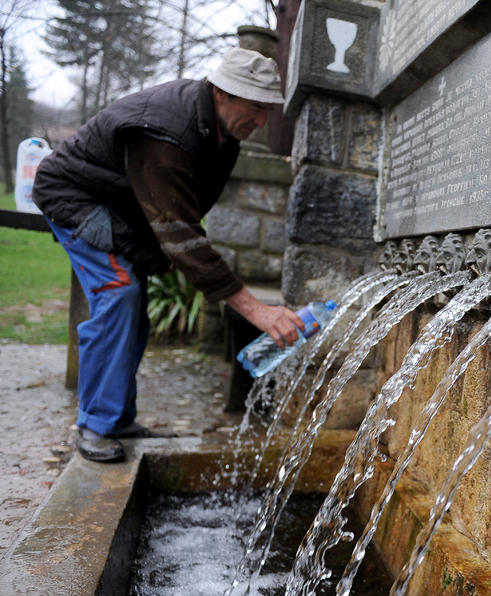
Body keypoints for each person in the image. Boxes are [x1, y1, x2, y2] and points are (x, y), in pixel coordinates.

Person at [33, 47, 305, 463]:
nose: (262, 120)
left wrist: (175, 253)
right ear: (222, 94)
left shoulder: (221, 136)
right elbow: (180, 233)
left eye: (266, 109)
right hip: (75, 197)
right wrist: (257, 310)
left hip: (124, 209)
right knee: (119, 293)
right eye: (254, 107)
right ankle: (93, 424)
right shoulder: (165, 132)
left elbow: (188, 213)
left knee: (133, 306)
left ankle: (117, 418)